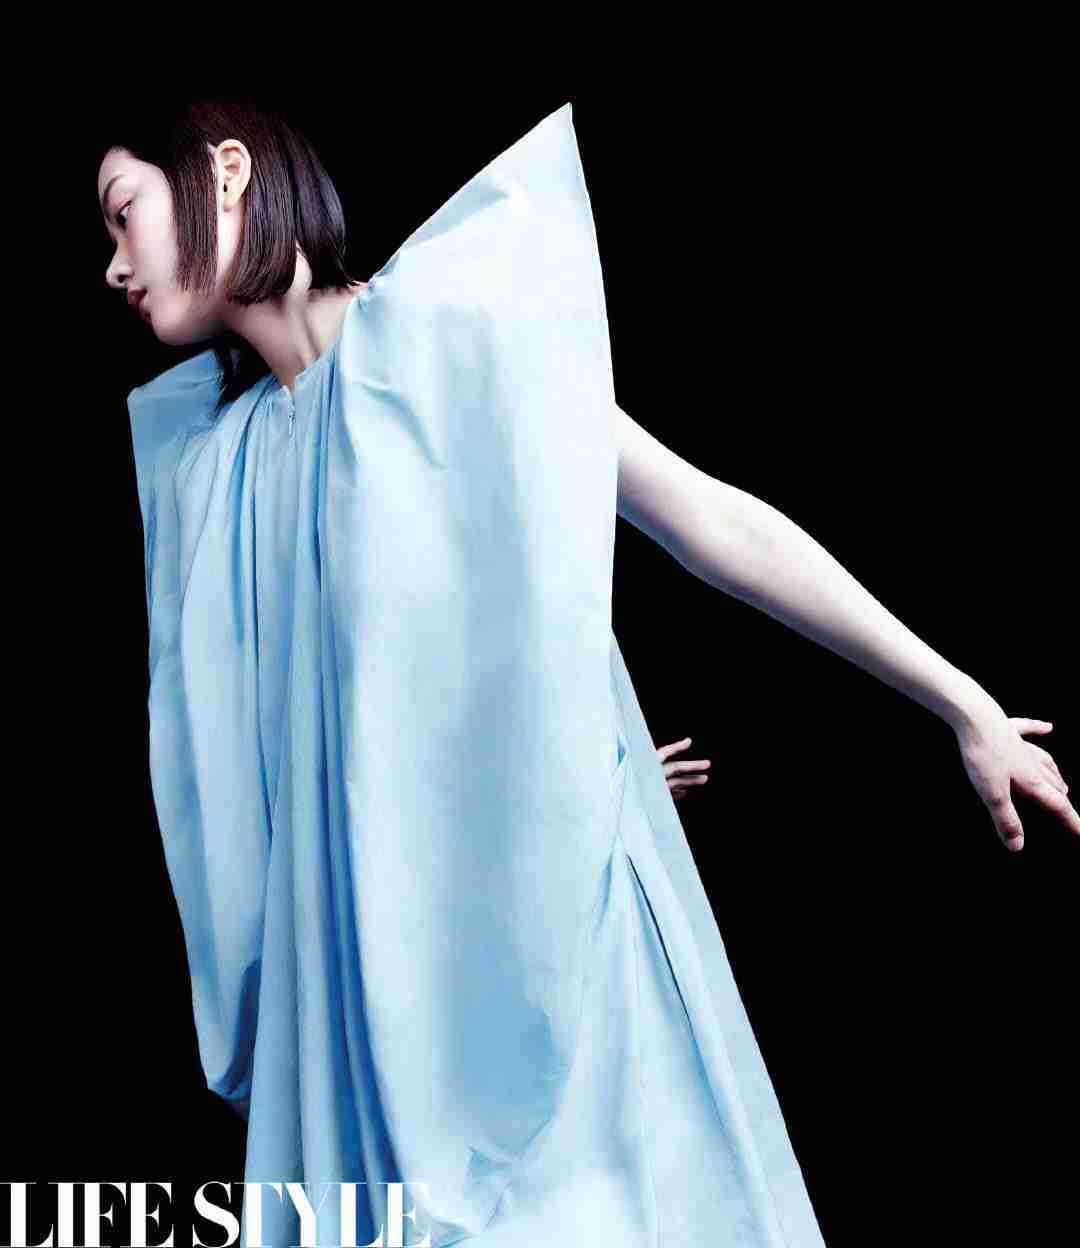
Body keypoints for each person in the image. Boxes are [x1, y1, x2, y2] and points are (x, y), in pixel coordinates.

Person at [102, 94, 1077, 1247]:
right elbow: (312, 763)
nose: (114, 266)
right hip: (359, 1005)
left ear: (224, 173)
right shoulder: (221, 474)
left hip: (541, 989)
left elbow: (705, 519)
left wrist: (963, 704)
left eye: (122, 214)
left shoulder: (446, 338)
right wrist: (547, 755)